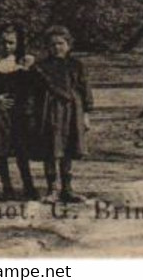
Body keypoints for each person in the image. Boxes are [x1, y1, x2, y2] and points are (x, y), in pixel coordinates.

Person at [33, 25, 92, 203]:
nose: (57, 48)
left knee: (68, 148)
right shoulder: (40, 67)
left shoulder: (76, 65)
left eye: (61, 43)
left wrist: (86, 114)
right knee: (51, 149)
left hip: (73, 111)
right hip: (48, 111)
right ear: (47, 47)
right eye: (52, 44)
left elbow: (85, 89)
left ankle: (68, 189)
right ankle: (52, 189)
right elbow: (33, 92)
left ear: (68, 45)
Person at [0, 23, 38, 201]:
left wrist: (30, 69)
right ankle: (7, 188)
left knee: (21, 151)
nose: (7, 46)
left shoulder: (22, 62)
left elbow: (32, 88)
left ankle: (29, 186)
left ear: (17, 43)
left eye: (11, 43)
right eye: (3, 42)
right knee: (2, 152)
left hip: (19, 113)